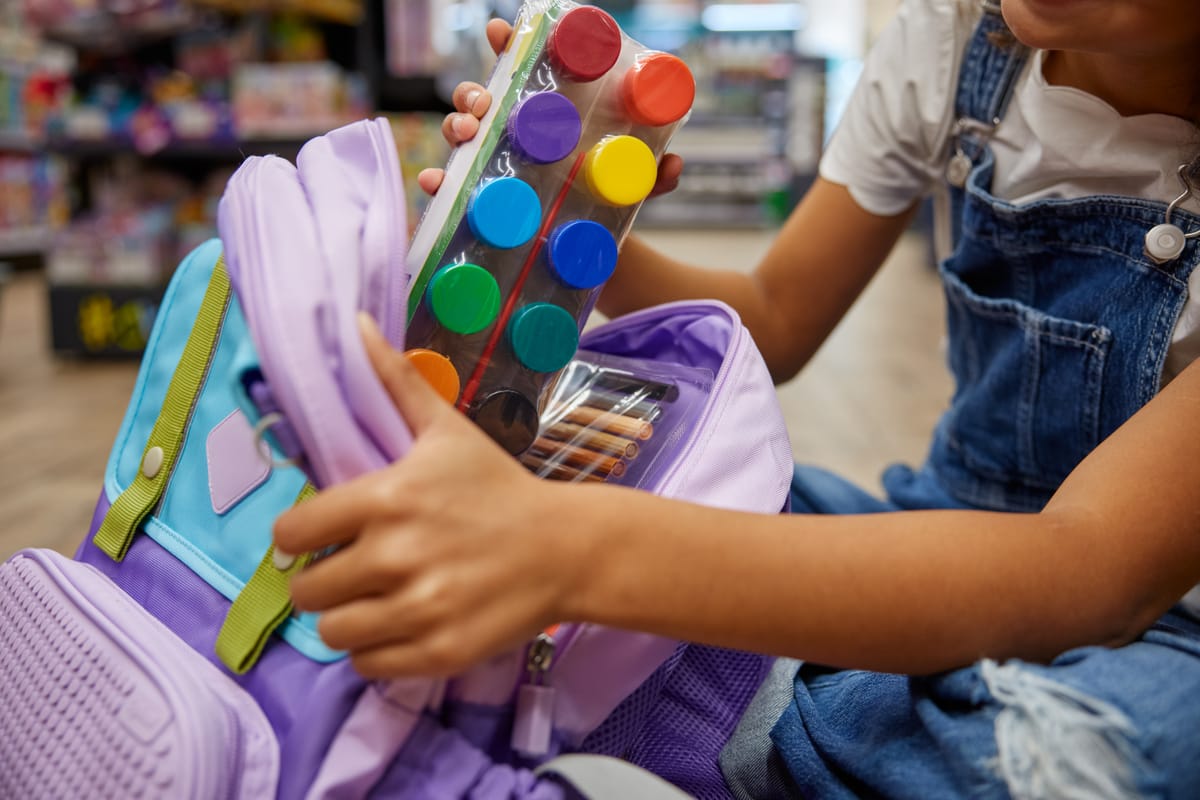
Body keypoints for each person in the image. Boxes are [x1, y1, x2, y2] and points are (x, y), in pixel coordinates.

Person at [273, 0, 1200, 795]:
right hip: (948, 519)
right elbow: (780, 314)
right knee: (640, 462)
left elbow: (1089, 570)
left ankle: (720, 716)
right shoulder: (959, 36)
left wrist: (568, 554)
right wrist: (573, 222)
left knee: (1087, 756)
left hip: (1158, 628)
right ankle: (792, 714)